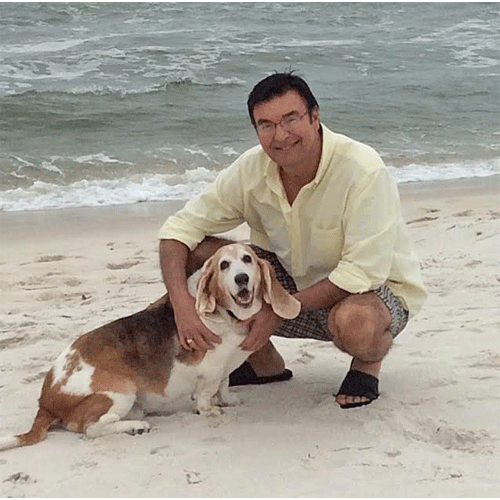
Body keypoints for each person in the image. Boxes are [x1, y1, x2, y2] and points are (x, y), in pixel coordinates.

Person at [158, 72, 426, 409]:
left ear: (315, 117)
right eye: (266, 125)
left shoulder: (362, 169)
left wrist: (276, 310)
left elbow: (361, 272)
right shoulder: (251, 169)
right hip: (292, 283)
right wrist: (182, 304)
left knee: (356, 323)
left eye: (291, 119)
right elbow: (178, 229)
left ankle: (366, 365)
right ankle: (261, 360)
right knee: (200, 254)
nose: (281, 135)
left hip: (370, 294)